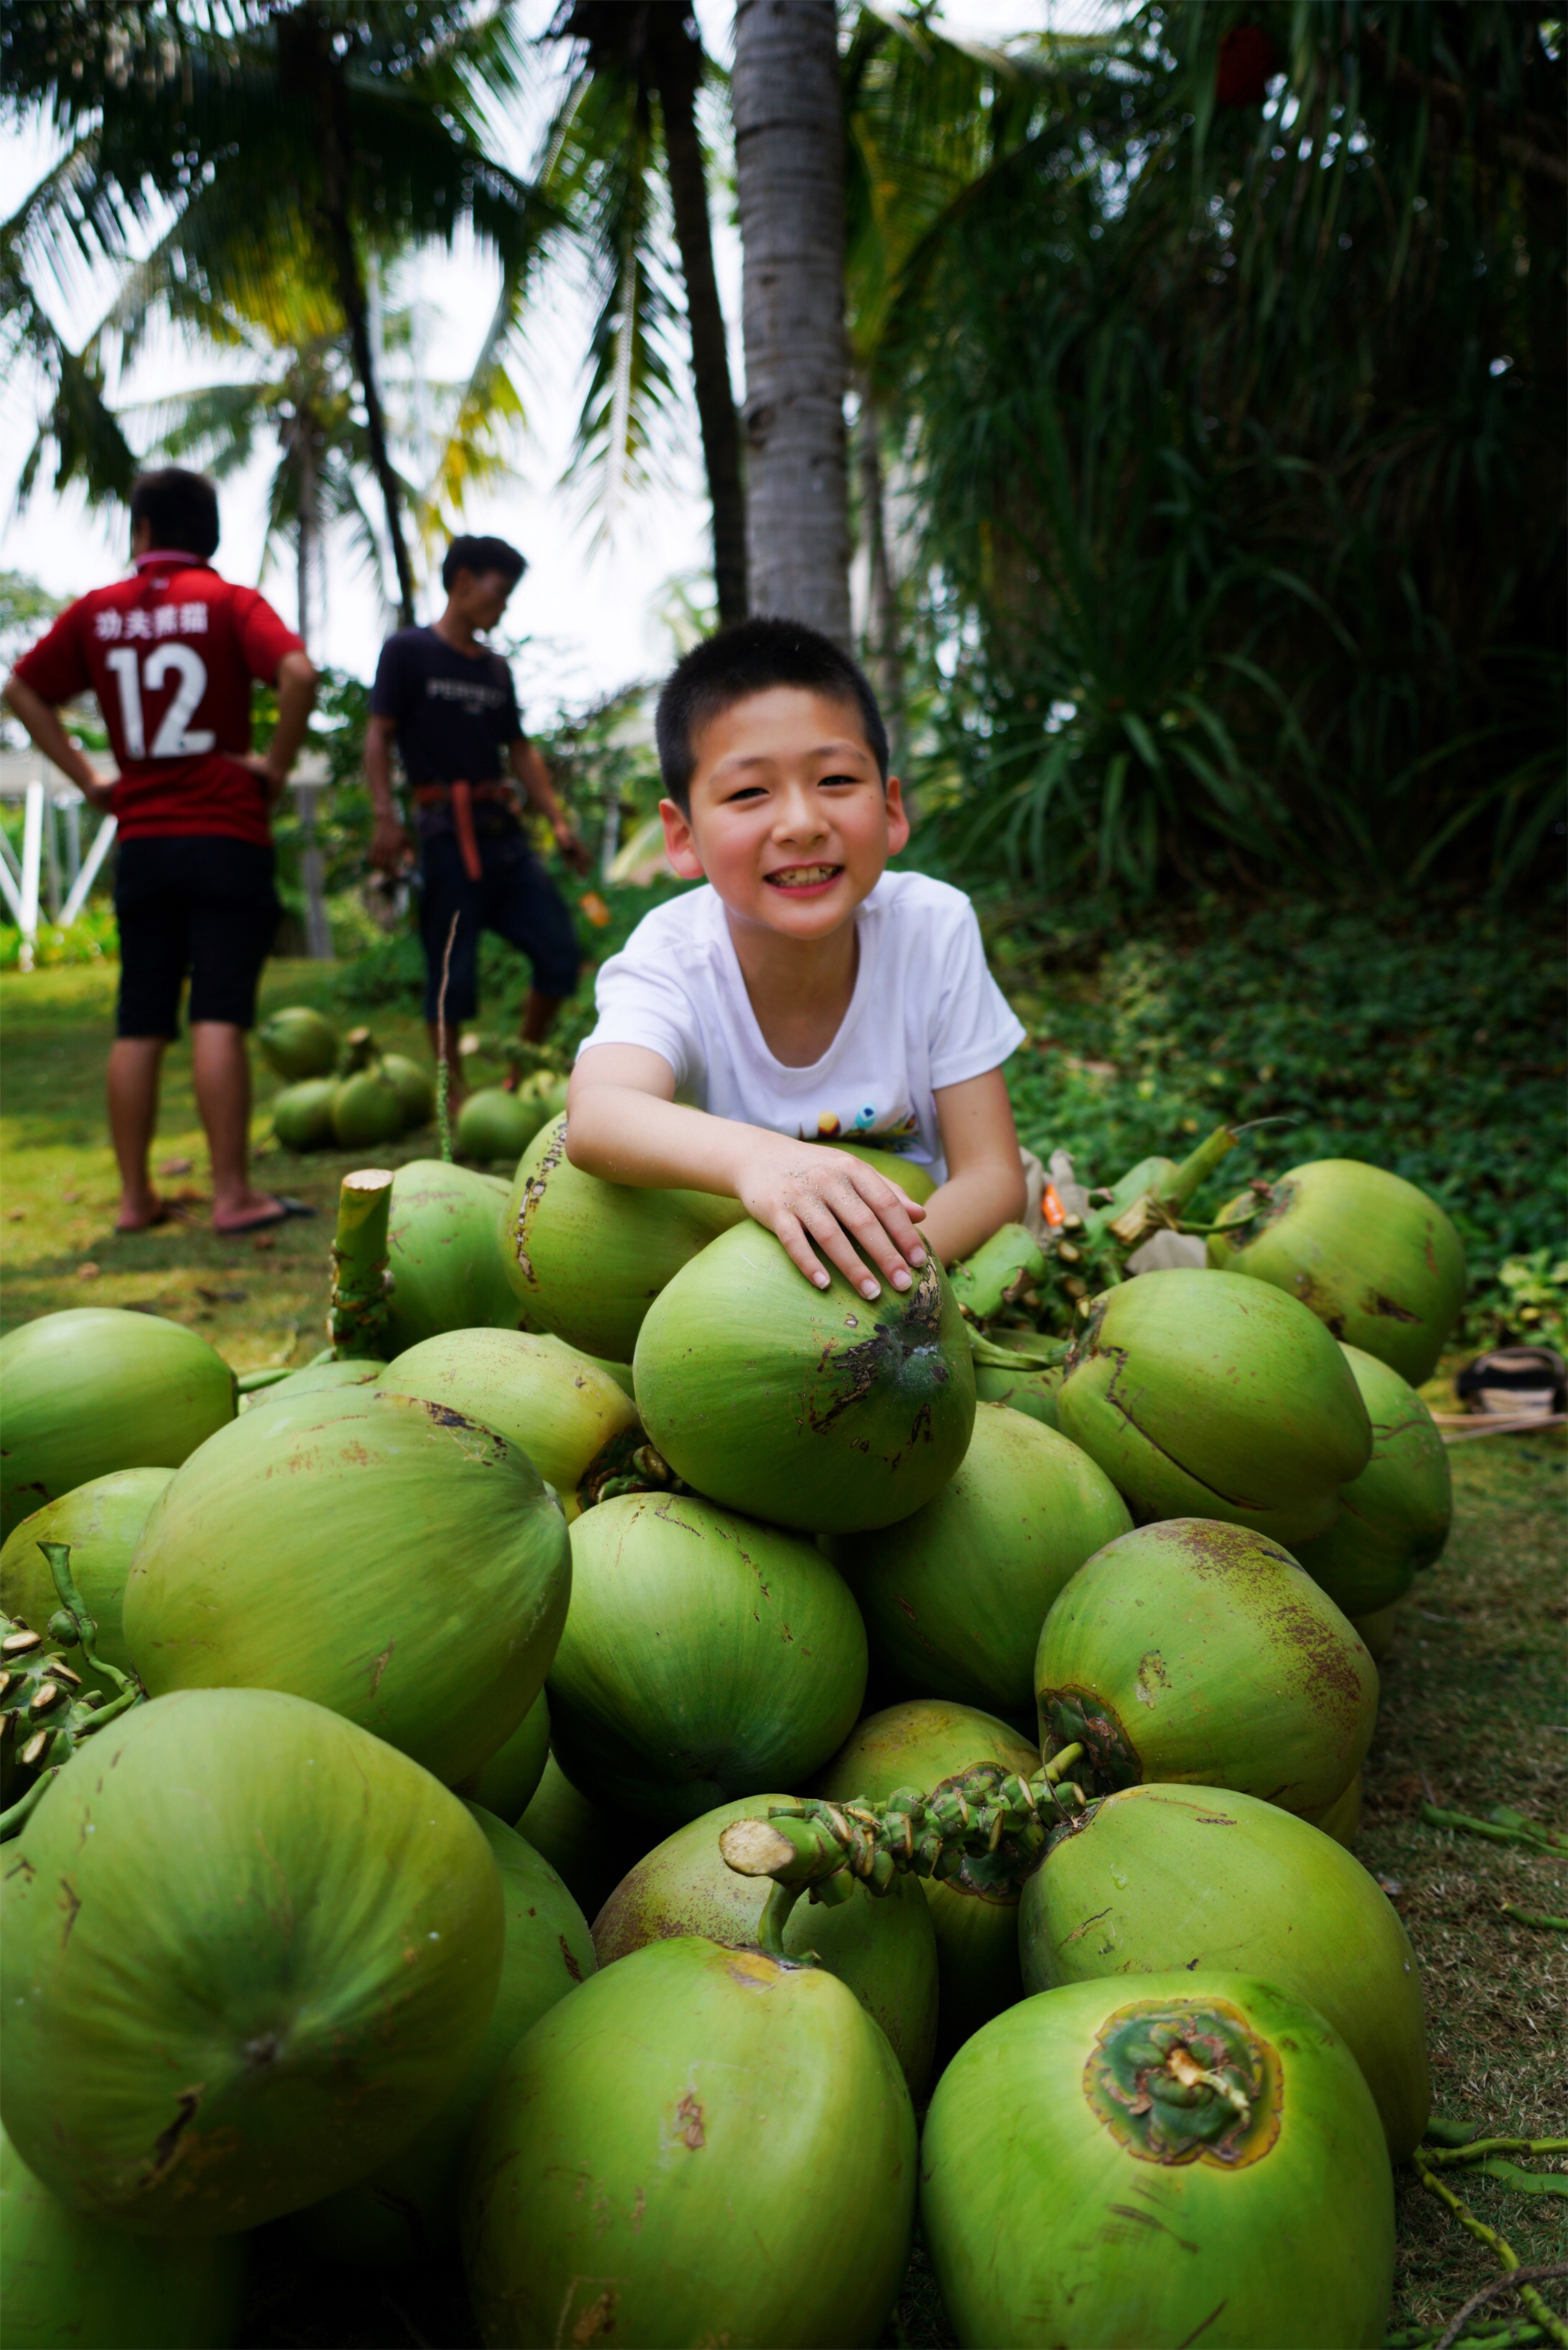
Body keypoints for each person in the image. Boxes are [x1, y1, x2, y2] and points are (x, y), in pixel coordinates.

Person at [567, 617, 1029, 1301]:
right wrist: (762, 1160)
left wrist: (878, 1275)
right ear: (683, 835)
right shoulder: (673, 958)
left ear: (892, 810)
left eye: (836, 778)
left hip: (912, 1269)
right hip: (742, 1294)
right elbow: (599, 1111)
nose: (802, 822)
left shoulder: (932, 927)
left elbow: (994, 1177)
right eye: (750, 792)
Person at [4, 467, 319, 1236]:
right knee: (218, 1012)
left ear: (140, 531)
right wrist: (273, 770)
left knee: (139, 1020)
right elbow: (297, 673)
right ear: (208, 534)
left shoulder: (97, 612)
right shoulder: (228, 602)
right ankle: (233, 1194)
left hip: (143, 838)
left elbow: (20, 688)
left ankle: (135, 1198)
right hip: (224, 834)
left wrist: (88, 776)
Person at [365, 536, 589, 1091]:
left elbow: (519, 749)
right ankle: (456, 1098)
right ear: (463, 581)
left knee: (559, 953)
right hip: (444, 836)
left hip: (503, 838)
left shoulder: (495, 669)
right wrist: (384, 818)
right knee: (450, 976)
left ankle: (519, 1075)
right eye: (499, 591)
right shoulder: (408, 652)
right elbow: (378, 736)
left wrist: (558, 822)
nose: (503, 605)